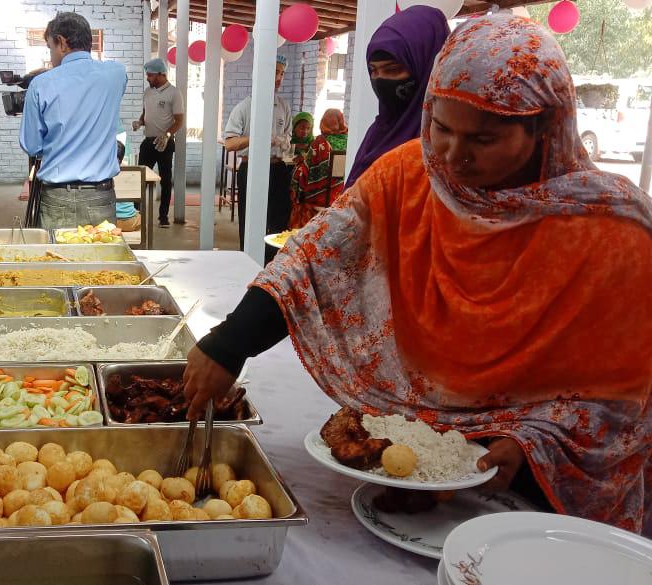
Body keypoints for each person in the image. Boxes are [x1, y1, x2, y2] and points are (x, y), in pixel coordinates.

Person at [184, 14, 652, 535]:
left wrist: (533, 443)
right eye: (442, 126)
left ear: (545, 127)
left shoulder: (611, 228)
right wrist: (227, 344)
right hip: (412, 457)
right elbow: (310, 261)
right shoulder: (408, 175)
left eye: (484, 138)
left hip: (535, 490)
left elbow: (622, 401)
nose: (452, 155)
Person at [19, 12, 128, 230]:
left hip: (57, 198)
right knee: (102, 261)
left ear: (61, 42)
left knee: (56, 261)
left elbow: (32, 146)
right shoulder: (116, 74)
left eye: (50, 47)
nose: (51, 56)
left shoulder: (40, 85)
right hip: (101, 195)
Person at [344, 5, 449, 188]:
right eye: (373, 71)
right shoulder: (378, 133)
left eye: (393, 70)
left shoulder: (447, 144)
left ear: (428, 67)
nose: (380, 80)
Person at [223, 54, 292, 264]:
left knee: (278, 220)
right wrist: (257, 139)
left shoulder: (283, 106)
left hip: (278, 169)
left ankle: (273, 267)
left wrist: (282, 142)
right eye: (275, 73)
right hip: (251, 169)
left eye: (281, 73)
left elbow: (288, 137)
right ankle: (249, 262)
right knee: (251, 219)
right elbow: (230, 143)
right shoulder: (245, 107)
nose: (278, 78)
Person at [133, 58, 184, 228]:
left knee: (165, 180)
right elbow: (145, 112)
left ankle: (163, 216)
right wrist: (140, 122)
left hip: (164, 143)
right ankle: (137, 214)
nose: (147, 78)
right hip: (148, 142)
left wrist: (167, 135)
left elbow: (179, 120)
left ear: (161, 74)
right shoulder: (148, 92)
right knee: (139, 178)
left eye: (150, 75)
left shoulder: (174, 93)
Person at [288, 109, 349, 228]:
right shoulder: (350, 141)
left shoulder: (321, 142)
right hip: (341, 196)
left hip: (319, 199)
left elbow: (306, 171)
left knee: (296, 179)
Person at [114, 141, 141, 233]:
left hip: (106, 221)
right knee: (138, 215)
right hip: (129, 223)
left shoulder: (100, 171)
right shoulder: (131, 172)